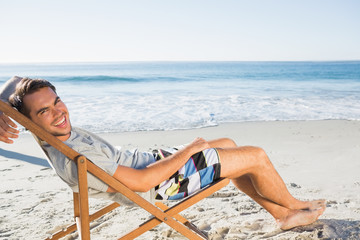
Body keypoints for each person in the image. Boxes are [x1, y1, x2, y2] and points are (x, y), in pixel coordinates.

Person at [0, 76, 325, 230]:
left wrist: (3, 107)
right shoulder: (77, 157)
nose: (58, 112)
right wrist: (189, 151)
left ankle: (281, 213)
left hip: (151, 163)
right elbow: (143, 184)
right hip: (163, 185)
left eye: (57, 101)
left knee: (226, 142)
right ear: (29, 122)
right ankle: (294, 208)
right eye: (44, 111)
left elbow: (13, 83)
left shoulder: (48, 135)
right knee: (255, 155)